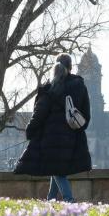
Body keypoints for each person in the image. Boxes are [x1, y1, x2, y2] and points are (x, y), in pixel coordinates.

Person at [14, 57, 92, 201]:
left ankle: (70, 201)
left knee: (58, 170)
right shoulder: (79, 85)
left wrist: (30, 130)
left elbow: (39, 113)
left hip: (51, 137)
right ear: (71, 67)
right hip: (72, 135)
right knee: (57, 168)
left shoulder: (49, 86)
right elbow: (86, 113)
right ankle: (51, 199)